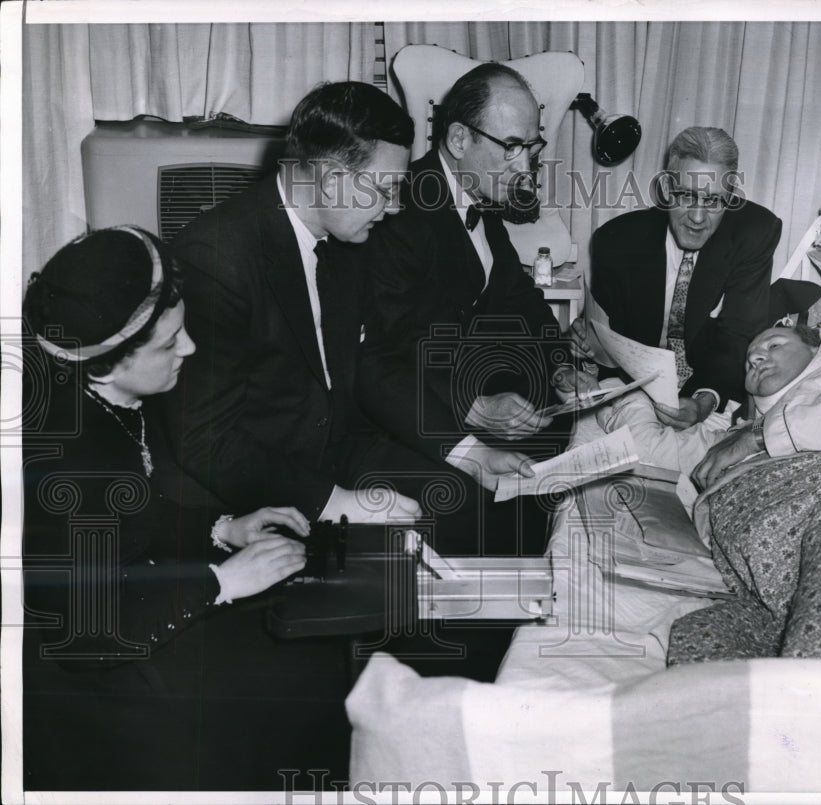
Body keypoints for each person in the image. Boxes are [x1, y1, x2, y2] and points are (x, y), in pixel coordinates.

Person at [21, 227, 353, 790]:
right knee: (289, 677)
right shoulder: (71, 460)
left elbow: (138, 512)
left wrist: (223, 528)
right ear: (104, 363)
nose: (190, 349)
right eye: (168, 343)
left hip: (130, 609)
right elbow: (81, 635)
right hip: (84, 681)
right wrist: (219, 581)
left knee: (311, 652)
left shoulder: (107, 396)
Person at [158, 81, 423, 524]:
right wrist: (332, 502)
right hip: (240, 493)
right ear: (334, 180)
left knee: (468, 500)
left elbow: (372, 361)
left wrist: (467, 450)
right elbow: (204, 439)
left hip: (331, 452)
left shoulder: (347, 234)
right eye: (385, 190)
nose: (394, 208)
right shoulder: (216, 259)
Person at [350, 63, 578, 501]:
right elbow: (388, 348)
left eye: (531, 146)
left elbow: (520, 297)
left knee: (560, 440)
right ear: (458, 139)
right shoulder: (399, 208)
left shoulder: (476, 196)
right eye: (511, 146)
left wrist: (560, 364)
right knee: (480, 499)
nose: (526, 165)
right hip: (401, 411)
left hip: (452, 388)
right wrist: (475, 406)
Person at [586, 126, 782, 431]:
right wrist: (581, 352)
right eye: (686, 196)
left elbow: (740, 332)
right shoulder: (615, 241)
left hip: (710, 388)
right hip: (635, 386)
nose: (698, 217)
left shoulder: (754, 233)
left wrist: (704, 400)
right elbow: (608, 338)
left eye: (714, 201)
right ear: (666, 189)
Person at [597, 322, 821, 491]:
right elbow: (644, 450)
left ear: (814, 349)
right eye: (748, 360)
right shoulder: (727, 436)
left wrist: (757, 437)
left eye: (775, 345)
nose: (756, 356)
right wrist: (622, 390)